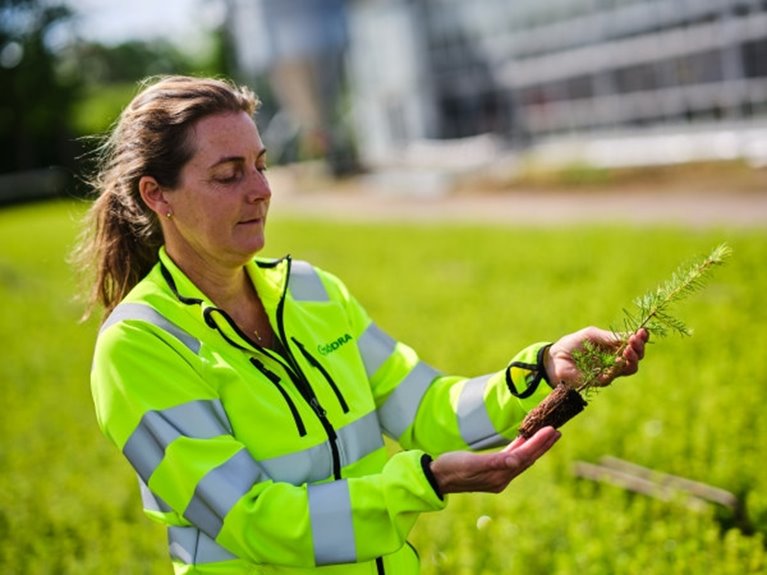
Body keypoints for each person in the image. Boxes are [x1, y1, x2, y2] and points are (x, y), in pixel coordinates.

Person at [75, 75, 648, 575]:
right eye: (228, 175)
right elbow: (252, 519)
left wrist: (540, 370)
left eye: (261, 165)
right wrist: (423, 484)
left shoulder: (312, 291)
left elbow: (426, 409)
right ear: (158, 196)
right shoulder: (139, 345)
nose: (261, 190)